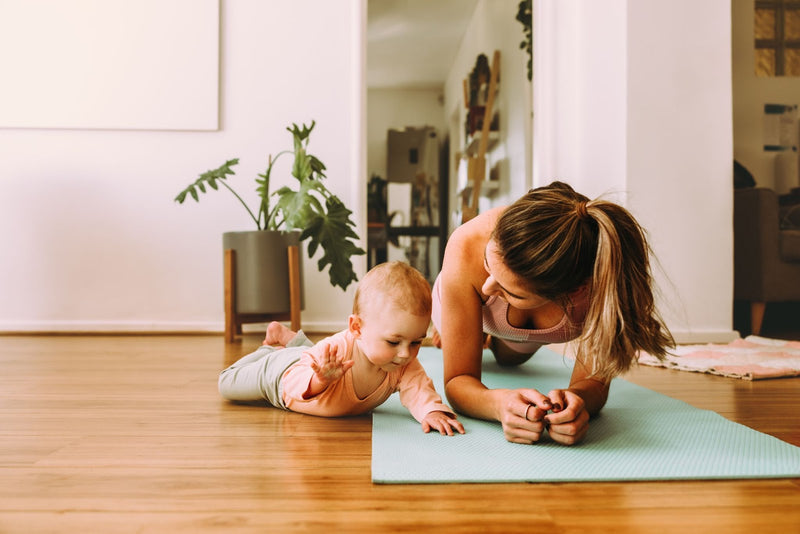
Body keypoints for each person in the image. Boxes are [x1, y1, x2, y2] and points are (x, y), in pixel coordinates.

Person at [432, 181, 673, 446]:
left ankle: (496, 340)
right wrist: (499, 405)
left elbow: (593, 385)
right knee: (467, 340)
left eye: (513, 292)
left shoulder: (602, 284)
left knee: (509, 360)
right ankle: (473, 334)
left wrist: (577, 402)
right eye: (488, 266)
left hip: (527, 331)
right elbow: (458, 380)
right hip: (454, 301)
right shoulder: (467, 243)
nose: (487, 288)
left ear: (574, 292)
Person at [219, 261, 465, 436]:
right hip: (279, 376)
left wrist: (432, 411)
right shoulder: (337, 350)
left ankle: (291, 339)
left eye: (416, 342)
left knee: (315, 356)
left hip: (315, 361)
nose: (405, 353)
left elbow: (419, 389)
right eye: (393, 342)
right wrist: (320, 381)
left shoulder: (401, 362)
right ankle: (270, 351)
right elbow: (293, 384)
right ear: (356, 328)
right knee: (226, 384)